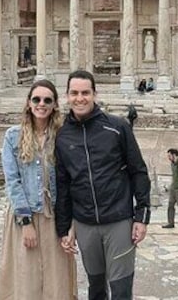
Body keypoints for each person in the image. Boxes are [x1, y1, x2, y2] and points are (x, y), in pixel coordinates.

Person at [55, 70, 151, 300]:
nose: (80, 98)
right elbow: (63, 184)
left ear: (94, 94)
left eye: (85, 93)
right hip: (85, 222)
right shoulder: (62, 136)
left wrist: (142, 216)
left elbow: (138, 171)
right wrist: (63, 227)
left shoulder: (117, 127)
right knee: (95, 288)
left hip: (119, 220)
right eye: (74, 93)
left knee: (120, 290)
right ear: (67, 96)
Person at [0, 79, 77, 299]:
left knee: (57, 281)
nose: (41, 104)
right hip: (25, 216)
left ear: (54, 105)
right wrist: (26, 222)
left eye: (47, 100)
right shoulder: (13, 136)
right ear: (28, 103)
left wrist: (72, 224)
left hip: (55, 217)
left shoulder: (63, 135)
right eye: (36, 99)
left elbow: (71, 181)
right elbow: (12, 181)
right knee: (26, 280)